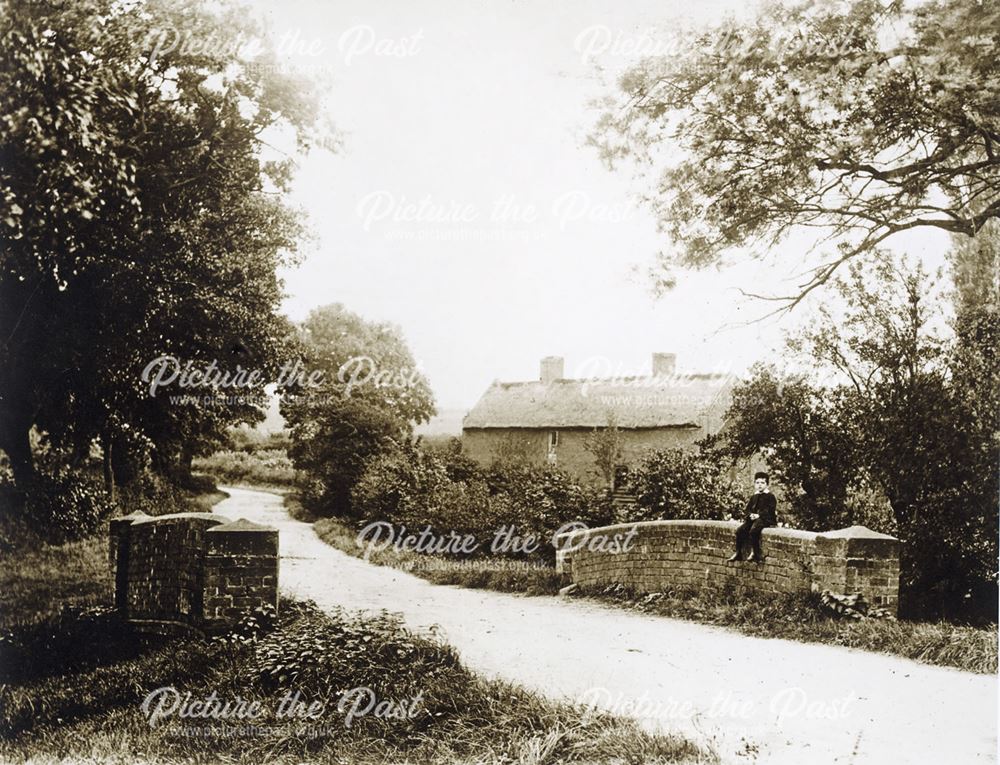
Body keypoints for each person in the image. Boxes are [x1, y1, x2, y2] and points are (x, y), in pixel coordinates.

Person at [728, 471, 777, 562]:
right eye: (757, 483)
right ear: (754, 484)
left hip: (766, 519)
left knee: (754, 530)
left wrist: (759, 515)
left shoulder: (770, 496)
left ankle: (755, 553)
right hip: (755, 519)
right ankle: (738, 552)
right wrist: (750, 515)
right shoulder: (754, 496)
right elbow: (748, 509)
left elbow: (770, 510)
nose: (760, 485)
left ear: (767, 485)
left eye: (762, 483)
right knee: (740, 530)